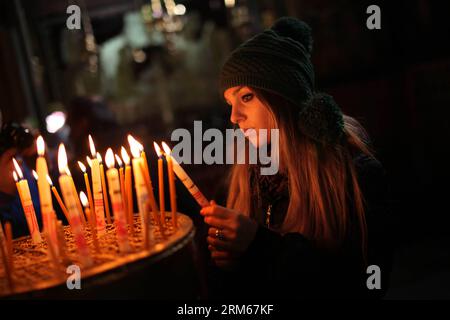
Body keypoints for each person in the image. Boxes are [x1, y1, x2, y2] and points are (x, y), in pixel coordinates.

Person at [200, 17, 392, 299]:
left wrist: (258, 246)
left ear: (283, 97)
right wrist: (230, 266)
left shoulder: (357, 177)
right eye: (230, 103)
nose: (234, 117)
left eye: (247, 97)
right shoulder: (246, 179)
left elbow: (360, 287)